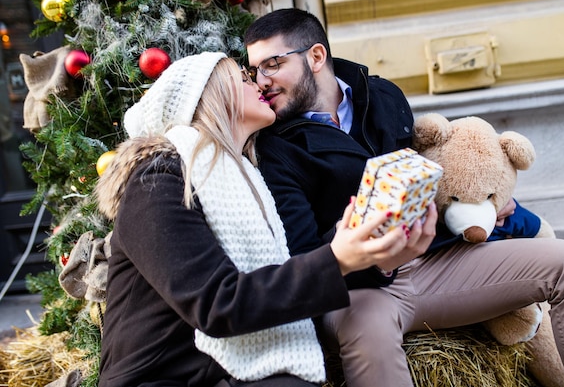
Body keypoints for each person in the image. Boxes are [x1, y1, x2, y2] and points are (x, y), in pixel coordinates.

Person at [244, 8, 564, 387]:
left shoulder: (382, 95)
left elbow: (428, 176)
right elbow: (303, 257)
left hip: (437, 260)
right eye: (255, 70)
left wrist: (480, 205)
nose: (262, 81)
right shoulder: (275, 148)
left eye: (272, 64)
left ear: (315, 57)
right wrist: (359, 243)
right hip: (360, 290)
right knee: (369, 331)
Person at [94, 52, 420, 387]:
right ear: (210, 93)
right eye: (244, 77)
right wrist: (337, 259)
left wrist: (371, 253)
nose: (259, 83)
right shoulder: (158, 180)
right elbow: (218, 303)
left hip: (224, 374)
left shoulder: (249, 177)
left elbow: (284, 272)